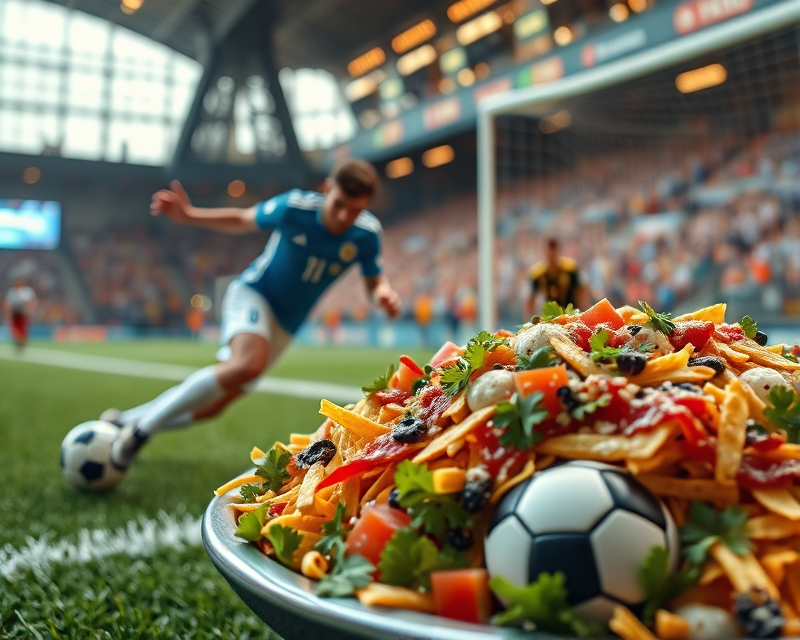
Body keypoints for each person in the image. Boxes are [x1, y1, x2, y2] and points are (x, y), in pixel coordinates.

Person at [103, 159, 401, 472]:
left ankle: (124, 421)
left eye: (354, 211)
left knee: (212, 406)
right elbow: (243, 218)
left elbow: (373, 281)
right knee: (247, 364)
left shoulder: (367, 234)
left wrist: (382, 294)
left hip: (286, 326)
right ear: (327, 188)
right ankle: (138, 434)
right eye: (339, 204)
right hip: (254, 294)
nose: (344, 217)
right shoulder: (296, 207)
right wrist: (190, 215)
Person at [525, 238, 589, 318]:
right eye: (549, 252)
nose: (551, 255)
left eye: (554, 251)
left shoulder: (570, 269)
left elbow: (582, 289)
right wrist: (528, 320)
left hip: (571, 314)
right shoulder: (538, 273)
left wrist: (583, 313)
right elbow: (530, 299)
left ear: (558, 251)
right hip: (551, 316)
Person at [4, 277, 37, 353]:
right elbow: (8, 304)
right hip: (15, 313)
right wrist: (7, 313)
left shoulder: (27, 291)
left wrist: (30, 311)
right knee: (14, 329)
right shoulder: (12, 292)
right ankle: (19, 343)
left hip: (23, 313)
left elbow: (32, 302)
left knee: (23, 329)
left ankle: (22, 344)